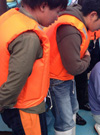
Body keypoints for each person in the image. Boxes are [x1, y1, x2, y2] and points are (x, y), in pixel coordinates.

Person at [44, 0, 100, 134]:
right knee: (64, 119)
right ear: (93, 15)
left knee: (73, 109)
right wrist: (87, 57)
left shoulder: (78, 19)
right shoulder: (71, 30)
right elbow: (75, 68)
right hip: (56, 80)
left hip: (65, 77)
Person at [0, 0, 68, 134]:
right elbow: (14, 85)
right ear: (43, 6)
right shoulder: (28, 37)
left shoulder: (10, 17)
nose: (57, 17)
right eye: (57, 12)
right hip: (25, 111)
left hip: (10, 107)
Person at [74, 29, 100, 119]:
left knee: (94, 67)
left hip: (94, 40)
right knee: (80, 74)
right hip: (84, 42)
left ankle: (83, 101)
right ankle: (75, 107)